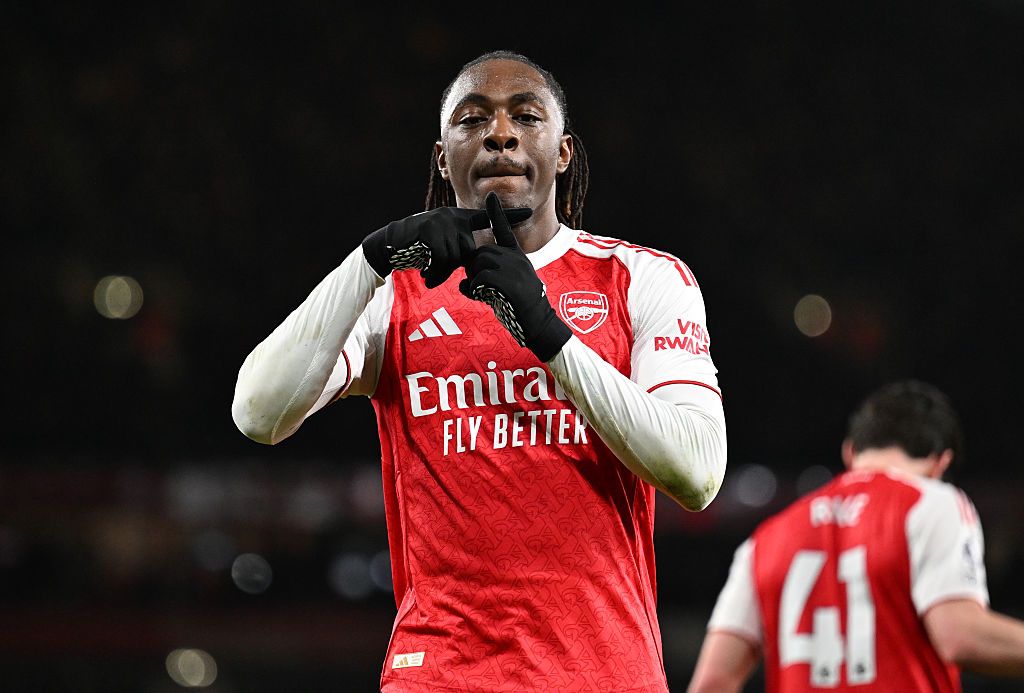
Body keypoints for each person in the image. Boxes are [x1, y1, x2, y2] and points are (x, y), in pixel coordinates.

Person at [232, 49, 727, 693]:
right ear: (444, 158)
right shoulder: (394, 296)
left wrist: (549, 336)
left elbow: (696, 472)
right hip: (440, 675)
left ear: (563, 152)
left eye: (526, 116)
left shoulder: (642, 279)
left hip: (604, 673)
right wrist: (369, 260)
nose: (500, 133)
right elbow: (258, 413)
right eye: (473, 119)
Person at [688, 379, 1024, 693]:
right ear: (941, 462)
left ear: (850, 452)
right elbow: (960, 636)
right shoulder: (932, 502)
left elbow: (711, 683)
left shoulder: (765, 539)